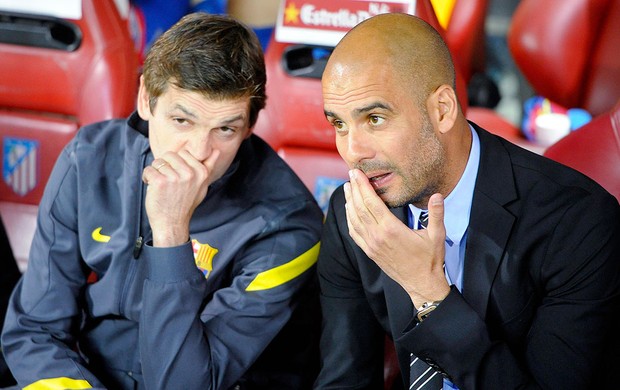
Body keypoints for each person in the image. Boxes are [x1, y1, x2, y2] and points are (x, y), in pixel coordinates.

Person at [2, 13, 324, 390]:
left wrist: (171, 233)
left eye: (225, 129)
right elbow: (33, 329)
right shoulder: (89, 159)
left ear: (250, 127)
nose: (201, 153)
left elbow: (184, 385)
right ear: (145, 100)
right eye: (182, 121)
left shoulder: (287, 224)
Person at [314, 13, 620, 389]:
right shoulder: (355, 215)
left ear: (442, 109)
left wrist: (429, 294)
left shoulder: (579, 224)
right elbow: (344, 378)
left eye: (375, 119)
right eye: (339, 124)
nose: (352, 152)